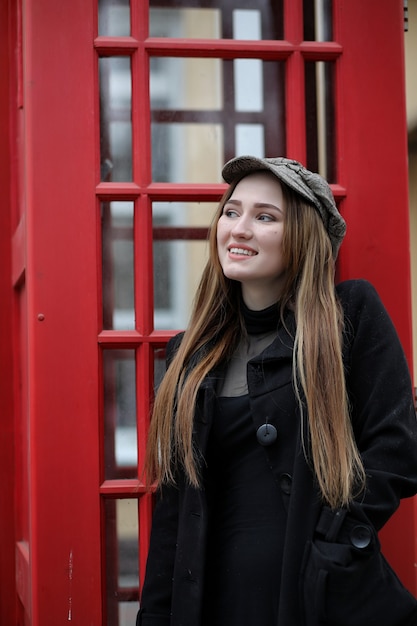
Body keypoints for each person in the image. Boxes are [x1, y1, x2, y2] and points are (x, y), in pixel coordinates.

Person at [136, 156, 417, 626]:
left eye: (265, 217)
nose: (239, 229)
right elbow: (174, 509)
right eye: (232, 212)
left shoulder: (349, 315)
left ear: (303, 236)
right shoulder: (188, 354)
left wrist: (335, 544)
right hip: (212, 602)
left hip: (323, 599)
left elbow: (397, 448)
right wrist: (154, 615)